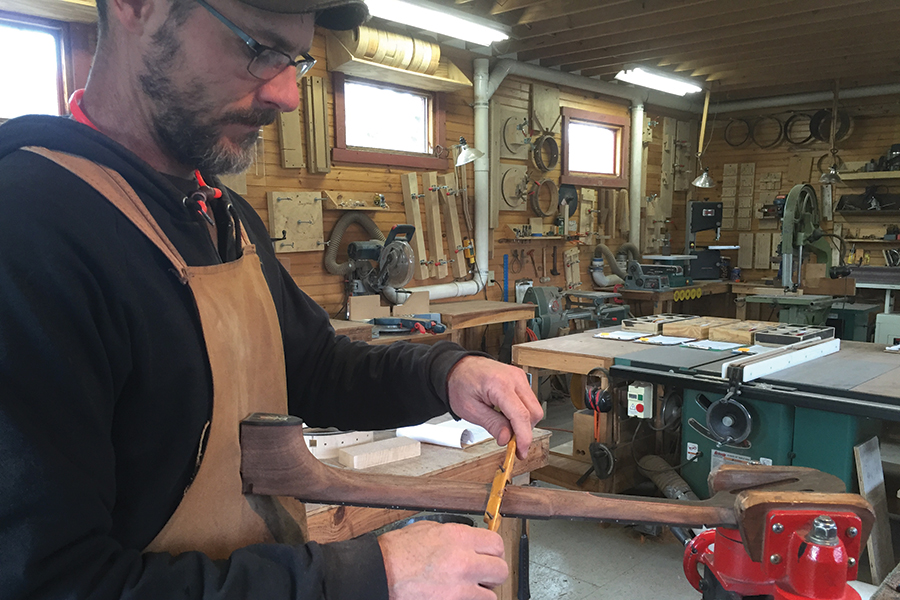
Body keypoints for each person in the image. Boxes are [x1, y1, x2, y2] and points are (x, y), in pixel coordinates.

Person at [0, 0, 543, 599]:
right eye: (259, 49)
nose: (287, 94)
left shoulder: (220, 216)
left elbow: (312, 369)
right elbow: (50, 583)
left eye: (296, 60)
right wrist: (370, 575)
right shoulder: (27, 229)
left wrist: (446, 373)